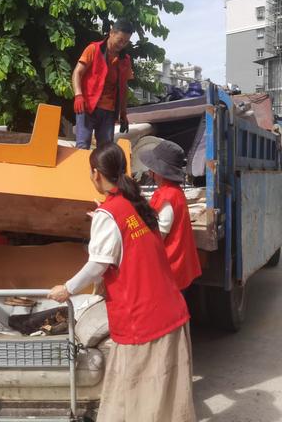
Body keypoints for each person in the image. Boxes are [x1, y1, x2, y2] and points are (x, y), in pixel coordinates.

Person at [48, 142, 196, 422]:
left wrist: (66, 288)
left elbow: (97, 266)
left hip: (143, 322)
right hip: (169, 312)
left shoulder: (113, 212)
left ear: (95, 174)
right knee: (166, 404)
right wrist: (103, 215)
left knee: (140, 402)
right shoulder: (135, 204)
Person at [139, 140, 202, 291]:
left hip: (170, 265)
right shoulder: (174, 192)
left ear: (157, 171)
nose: (148, 171)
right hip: (178, 263)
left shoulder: (167, 196)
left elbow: (158, 235)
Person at [72, 19, 134, 149]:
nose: (122, 44)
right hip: (87, 106)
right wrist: (78, 95)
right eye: (120, 40)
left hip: (108, 111)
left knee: (105, 151)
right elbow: (77, 72)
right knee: (82, 147)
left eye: (126, 42)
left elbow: (124, 88)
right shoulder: (93, 49)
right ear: (111, 33)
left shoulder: (125, 60)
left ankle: (100, 170)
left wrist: (123, 112)